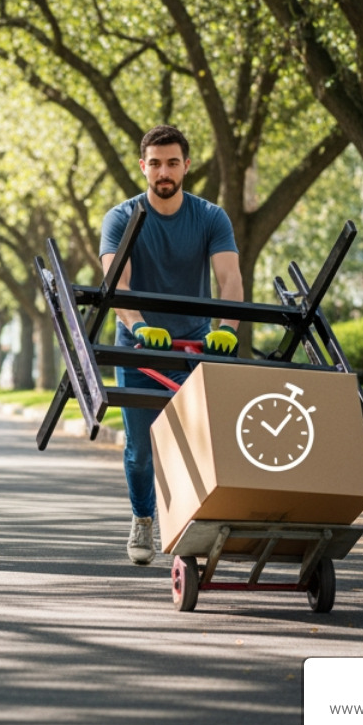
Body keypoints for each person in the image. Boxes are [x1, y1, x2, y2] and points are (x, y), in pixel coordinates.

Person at [100, 125, 243, 566]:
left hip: (195, 349)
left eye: (173, 162)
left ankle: (191, 526)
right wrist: (139, 325)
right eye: (156, 163)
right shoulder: (121, 217)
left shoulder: (210, 217)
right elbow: (114, 282)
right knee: (141, 452)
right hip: (138, 349)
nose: (164, 171)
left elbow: (230, 279)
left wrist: (228, 329)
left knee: (200, 446)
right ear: (143, 166)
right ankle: (144, 518)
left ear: (186, 166)